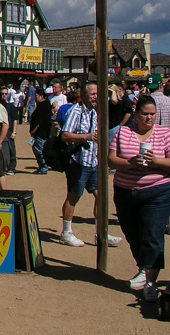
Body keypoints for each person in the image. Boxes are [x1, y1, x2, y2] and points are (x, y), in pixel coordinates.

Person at [108, 94, 170, 302]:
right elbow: (111, 160)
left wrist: (157, 161)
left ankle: (151, 281)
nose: (148, 118)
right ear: (136, 113)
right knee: (133, 235)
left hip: (157, 191)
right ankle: (143, 269)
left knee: (152, 235)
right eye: (144, 114)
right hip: (126, 192)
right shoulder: (123, 133)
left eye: (152, 114)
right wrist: (131, 163)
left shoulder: (165, 134)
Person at [59, 83, 122, 248]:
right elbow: (64, 135)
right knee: (73, 196)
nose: (96, 97)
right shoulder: (76, 112)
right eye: (93, 94)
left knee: (101, 196)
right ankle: (66, 232)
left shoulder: (96, 112)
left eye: (98, 94)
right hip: (79, 162)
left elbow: (121, 109)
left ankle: (101, 232)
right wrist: (85, 137)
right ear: (84, 95)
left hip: (94, 161)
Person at [29, 88, 53, 174]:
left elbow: (39, 121)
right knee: (37, 149)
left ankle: (44, 167)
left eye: (36, 96)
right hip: (41, 132)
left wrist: (33, 131)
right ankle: (41, 166)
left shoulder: (43, 106)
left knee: (40, 150)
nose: (35, 97)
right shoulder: (43, 105)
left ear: (41, 96)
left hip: (41, 132)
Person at [0, 86, 19, 175]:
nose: (4, 95)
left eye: (6, 94)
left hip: (9, 130)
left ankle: (12, 167)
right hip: (0, 130)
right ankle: (2, 166)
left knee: (11, 149)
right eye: (2, 94)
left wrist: (14, 132)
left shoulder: (11, 106)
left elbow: (15, 119)